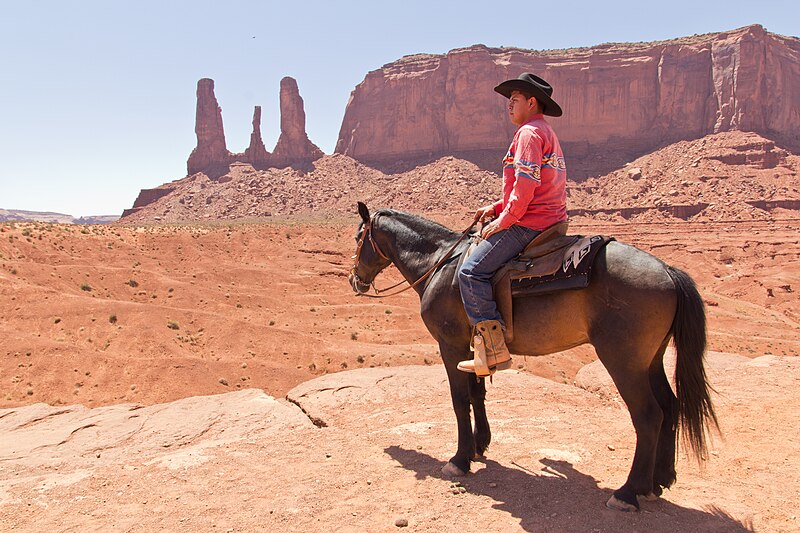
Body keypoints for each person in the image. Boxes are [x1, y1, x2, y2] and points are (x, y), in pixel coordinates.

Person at [457, 73, 568, 377]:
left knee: (471, 272)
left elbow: (527, 186)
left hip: (529, 223)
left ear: (532, 102)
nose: (509, 105)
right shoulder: (546, 131)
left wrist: (503, 220)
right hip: (551, 220)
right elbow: (532, 185)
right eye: (508, 100)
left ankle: (494, 350)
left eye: (515, 100)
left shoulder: (529, 134)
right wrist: (494, 207)